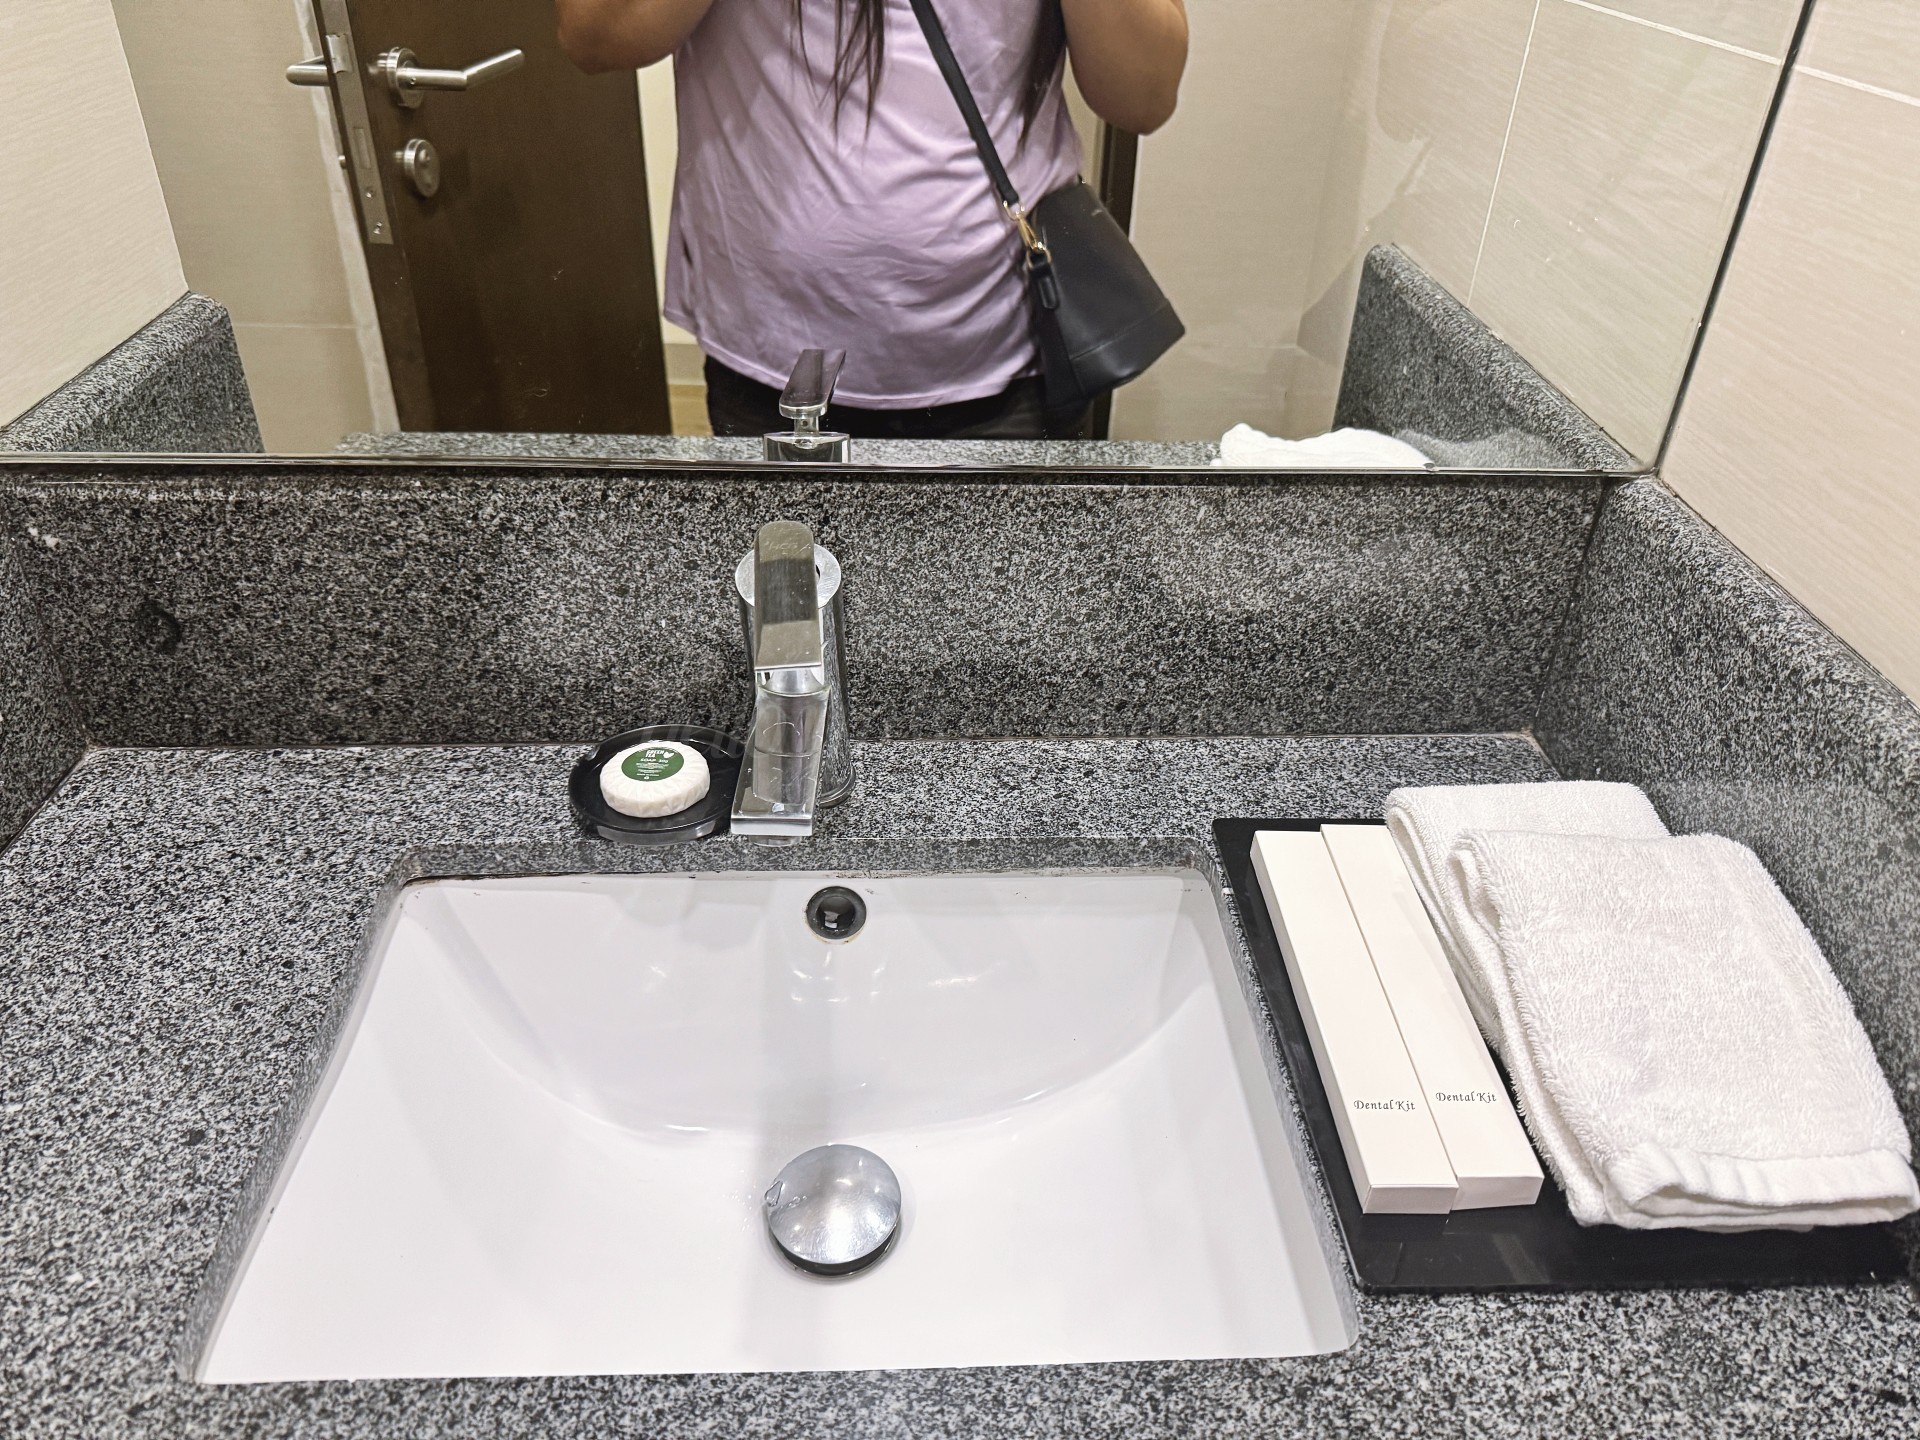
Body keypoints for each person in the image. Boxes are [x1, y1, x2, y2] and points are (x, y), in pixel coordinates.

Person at [558, 0, 1187, 440]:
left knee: (1007, 597)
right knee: (789, 593)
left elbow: (1142, 95)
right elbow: (595, 34)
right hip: (775, 361)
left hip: (1011, 352)